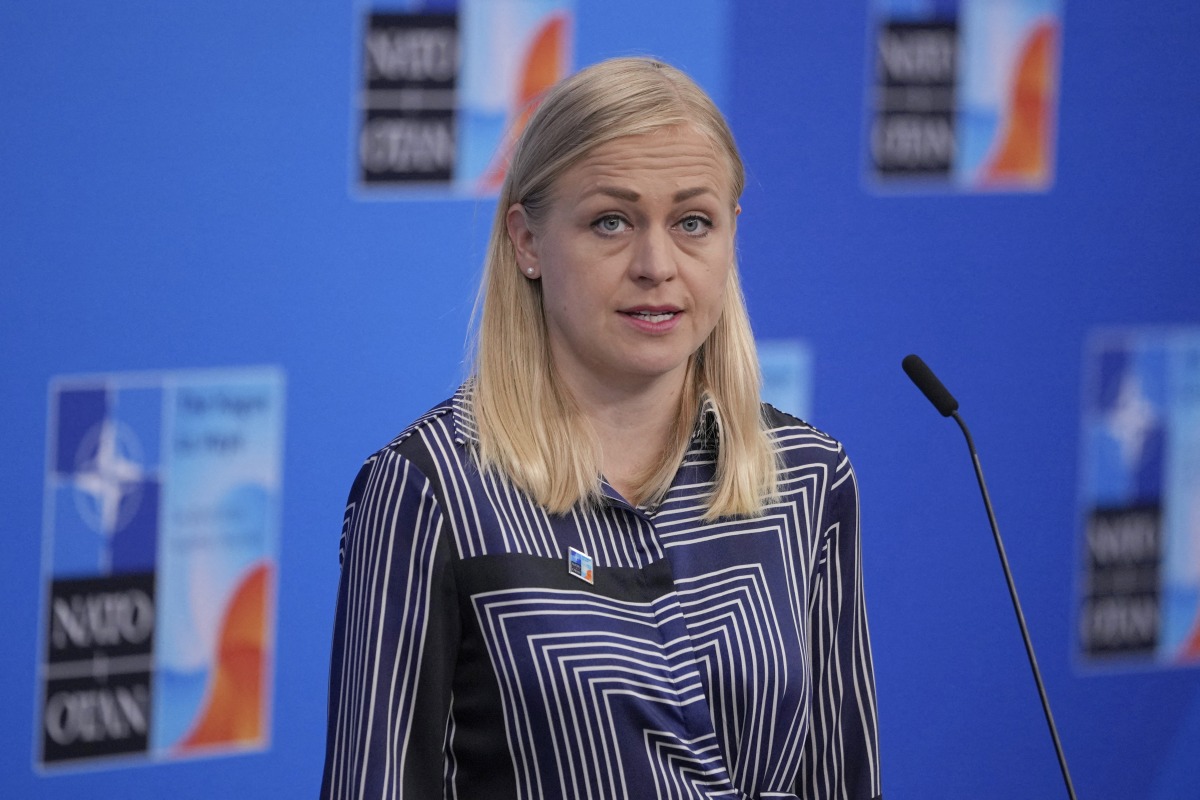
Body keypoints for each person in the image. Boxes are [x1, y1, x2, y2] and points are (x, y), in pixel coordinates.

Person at [320, 56, 881, 800]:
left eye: (693, 223)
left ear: (730, 236)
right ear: (527, 241)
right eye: (611, 222)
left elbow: (843, 779)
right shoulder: (429, 490)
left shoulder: (807, 475)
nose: (656, 265)